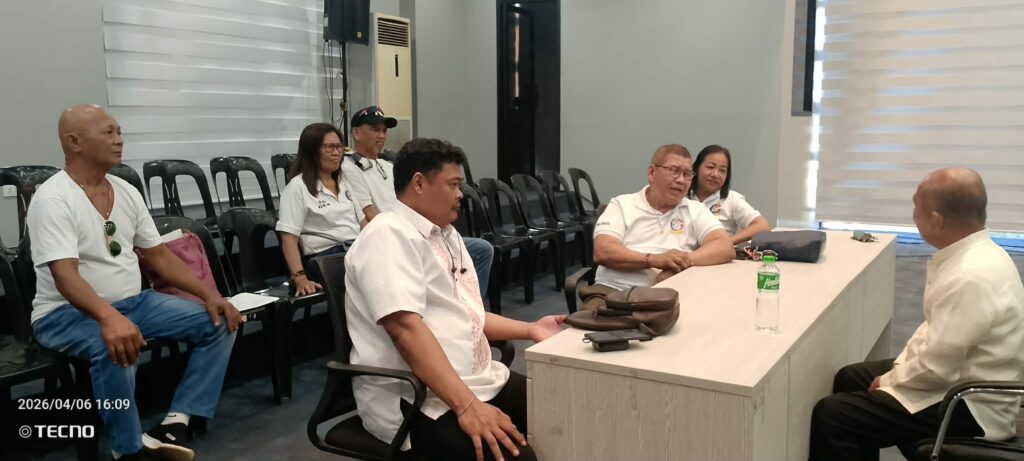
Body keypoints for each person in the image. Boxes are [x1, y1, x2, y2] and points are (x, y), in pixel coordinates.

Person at [27, 105, 240, 461]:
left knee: (219, 321)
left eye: (119, 132)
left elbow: (159, 256)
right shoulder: (53, 199)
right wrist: (108, 318)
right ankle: (127, 450)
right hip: (64, 314)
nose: (119, 140)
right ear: (74, 142)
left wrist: (210, 294)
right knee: (115, 345)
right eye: (108, 133)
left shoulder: (125, 190)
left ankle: (177, 421)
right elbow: (65, 275)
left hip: (134, 302)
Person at [344, 138, 565, 461]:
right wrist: (468, 406)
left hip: (475, 381)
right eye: (453, 184)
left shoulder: (446, 234)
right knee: (516, 457)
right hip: (416, 399)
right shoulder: (387, 236)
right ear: (419, 183)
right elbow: (405, 330)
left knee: (564, 413)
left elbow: (466, 315)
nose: (461, 193)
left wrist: (530, 329)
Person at [808, 168, 1024, 461]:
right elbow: (932, 334)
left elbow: (936, 368)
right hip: (960, 377)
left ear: (936, 220)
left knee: (834, 416)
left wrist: (889, 381)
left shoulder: (970, 275)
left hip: (971, 406)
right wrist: (898, 369)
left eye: (916, 207)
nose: (913, 215)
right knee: (851, 377)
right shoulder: (977, 254)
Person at [341, 106, 495, 296]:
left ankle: (469, 306)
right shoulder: (349, 168)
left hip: (419, 230)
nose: (381, 135)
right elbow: (369, 214)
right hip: (396, 235)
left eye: (384, 131)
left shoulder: (388, 165)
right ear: (356, 133)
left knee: (480, 249)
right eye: (375, 130)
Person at [585, 144, 734, 310]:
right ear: (651, 172)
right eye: (674, 171)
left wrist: (680, 263)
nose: (681, 180)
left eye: (687, 174)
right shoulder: (622, 205)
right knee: (587, 323)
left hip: (672, 295)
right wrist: (654, 260)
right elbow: (603, 251)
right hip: (614, 292)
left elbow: (724, 246)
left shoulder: (695, 210)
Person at [275, 123, 365, 295]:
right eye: (329, 147)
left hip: (355, 249)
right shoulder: (297, 187)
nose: (336, 152)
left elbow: (363, 224)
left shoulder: (343, 183)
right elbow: (289, 239)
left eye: (339, 147)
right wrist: (300, 278)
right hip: (325, 257)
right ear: (311, 151)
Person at [688, 145, 771, 244]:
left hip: (717, 252)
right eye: (710, 167)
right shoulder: (682, 195)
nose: (715, 174)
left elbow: (762, 226)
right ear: (696, 168)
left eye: (722, 170)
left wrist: (726, 242)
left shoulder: (731, 199)